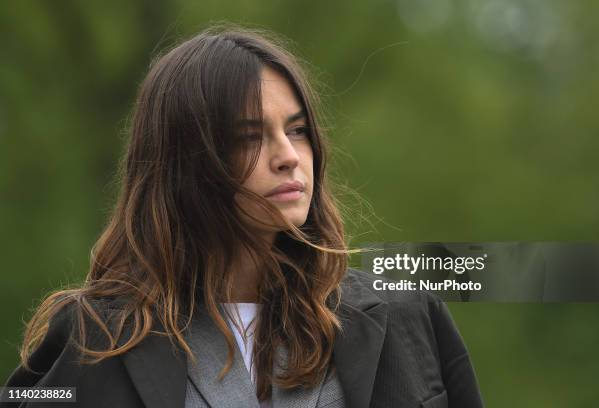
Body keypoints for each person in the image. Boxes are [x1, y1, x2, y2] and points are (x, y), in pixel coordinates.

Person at [2, 24, 483, 408]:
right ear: (185, 164)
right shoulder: (96, 336)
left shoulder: (406, 312)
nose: (288, 156)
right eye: (250, 137)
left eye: (296, 131)